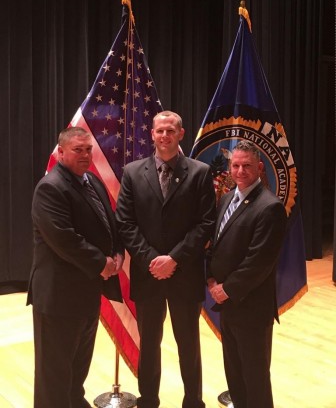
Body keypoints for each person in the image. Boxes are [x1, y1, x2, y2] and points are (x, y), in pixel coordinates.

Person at [116, 110, 216, 408]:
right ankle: (148, 400)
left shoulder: (200, 172)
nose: (164, 136)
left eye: (170, 130)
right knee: (149, 345)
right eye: (159, 130)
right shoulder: (132, 172)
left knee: (189, 344)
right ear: (152, 133)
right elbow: (125, 223)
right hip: (149, 275)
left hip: (185, 273)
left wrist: (173, 259)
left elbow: (206, 223)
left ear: (180, 134)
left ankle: (193, 401)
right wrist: (152, 260)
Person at [27, 126, 124, 408]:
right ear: (60, 152)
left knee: (77, 367)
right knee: (53, 374)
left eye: (88, 149)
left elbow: (110, 222)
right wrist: (102, 263)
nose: (84, 155)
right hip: (58, 296)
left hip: (86, 292)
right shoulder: (50, 187)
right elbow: (64, 240)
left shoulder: (91, 181)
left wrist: (117, 252)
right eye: (77, 150)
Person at [206, 140, 287, 408]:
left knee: (255, 377)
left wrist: (226, 289)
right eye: (236, 165)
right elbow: (216, 244)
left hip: (251, 306)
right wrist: (211, 279)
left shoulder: (269, 207)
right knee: (235, 373)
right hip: (228, 305)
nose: (240, 171)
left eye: (247, 166)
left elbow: (259, 261)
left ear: (260, 167)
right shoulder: (228, 197)